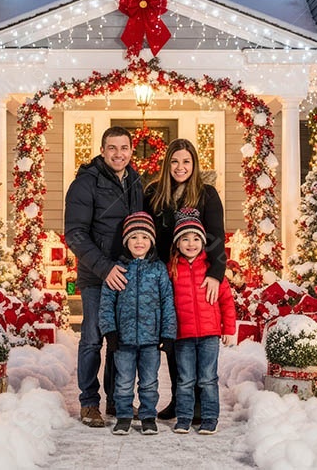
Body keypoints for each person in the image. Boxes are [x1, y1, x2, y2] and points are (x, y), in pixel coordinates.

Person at [64, 126, 144, 428]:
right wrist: (104, 268)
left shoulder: (135, 181)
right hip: (97, 275)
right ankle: (88, 403)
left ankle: (116, 400)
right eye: (112, 148)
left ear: (131, 150)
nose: (118, 153)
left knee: (118, 341)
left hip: (125, 274)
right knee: (92, 338)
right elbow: (75, 233)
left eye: (124, 148)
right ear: (102, 150)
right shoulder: (85, 183)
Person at [143, 138, 226, 420]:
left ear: (194, 164)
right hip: (165, 276)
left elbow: (216, 238)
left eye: (186, 162)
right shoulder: (154, 193)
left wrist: (216, 274)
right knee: (172, 339)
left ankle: (202, 402)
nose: (180, 167)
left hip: (197, 276)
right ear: (168, 164)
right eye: (175, 161)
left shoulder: (207, 195)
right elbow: (148, 237)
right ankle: (181, 399)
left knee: (199, 340)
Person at [98, 212, 177, 436]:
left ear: (151, 240)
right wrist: (110, 332)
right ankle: (123, 416)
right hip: (123, 339)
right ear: (126, 241)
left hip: (151, 339)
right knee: (123, 381)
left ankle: (148, 416)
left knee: (149, 381)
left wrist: (168, 333)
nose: (139, 242)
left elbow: (167, 302)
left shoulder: (158, 269)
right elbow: (106, 303)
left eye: (144, 236)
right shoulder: (118, 269)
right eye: (133, 237)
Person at [168, 208, 236, 435]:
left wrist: (229, 328)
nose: (191, 243)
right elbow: (165, 303)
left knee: (207, 378)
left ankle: (209, 418)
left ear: (203, 242)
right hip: (183, 335)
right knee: (185, 379)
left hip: (209, 334)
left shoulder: (212, 271)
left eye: (196, 238)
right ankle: (184, 417)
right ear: (177, 243)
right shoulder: (172, 271)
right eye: (185, 239)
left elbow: (227, 301)